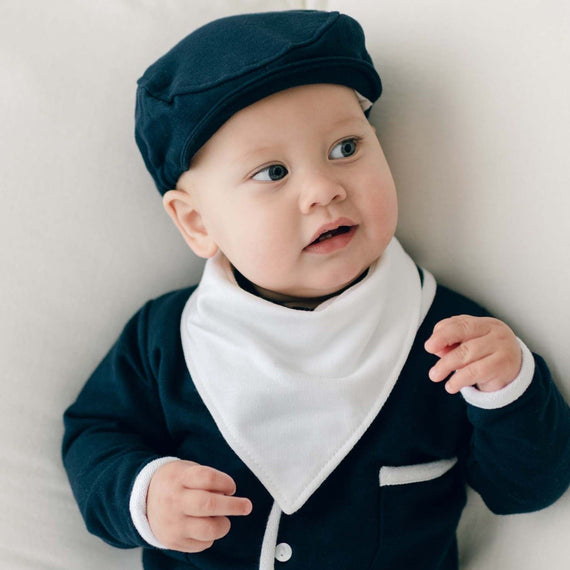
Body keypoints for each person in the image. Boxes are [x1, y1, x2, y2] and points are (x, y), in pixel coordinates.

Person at [62, 10, 570, 570]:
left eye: (346, 148)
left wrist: (509, 391)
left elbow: (524, 490)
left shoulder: (447, 340)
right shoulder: (164, 341)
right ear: (197, 224)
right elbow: (95, 437)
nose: (324, 190)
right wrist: (142, 493)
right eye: (273, 173)